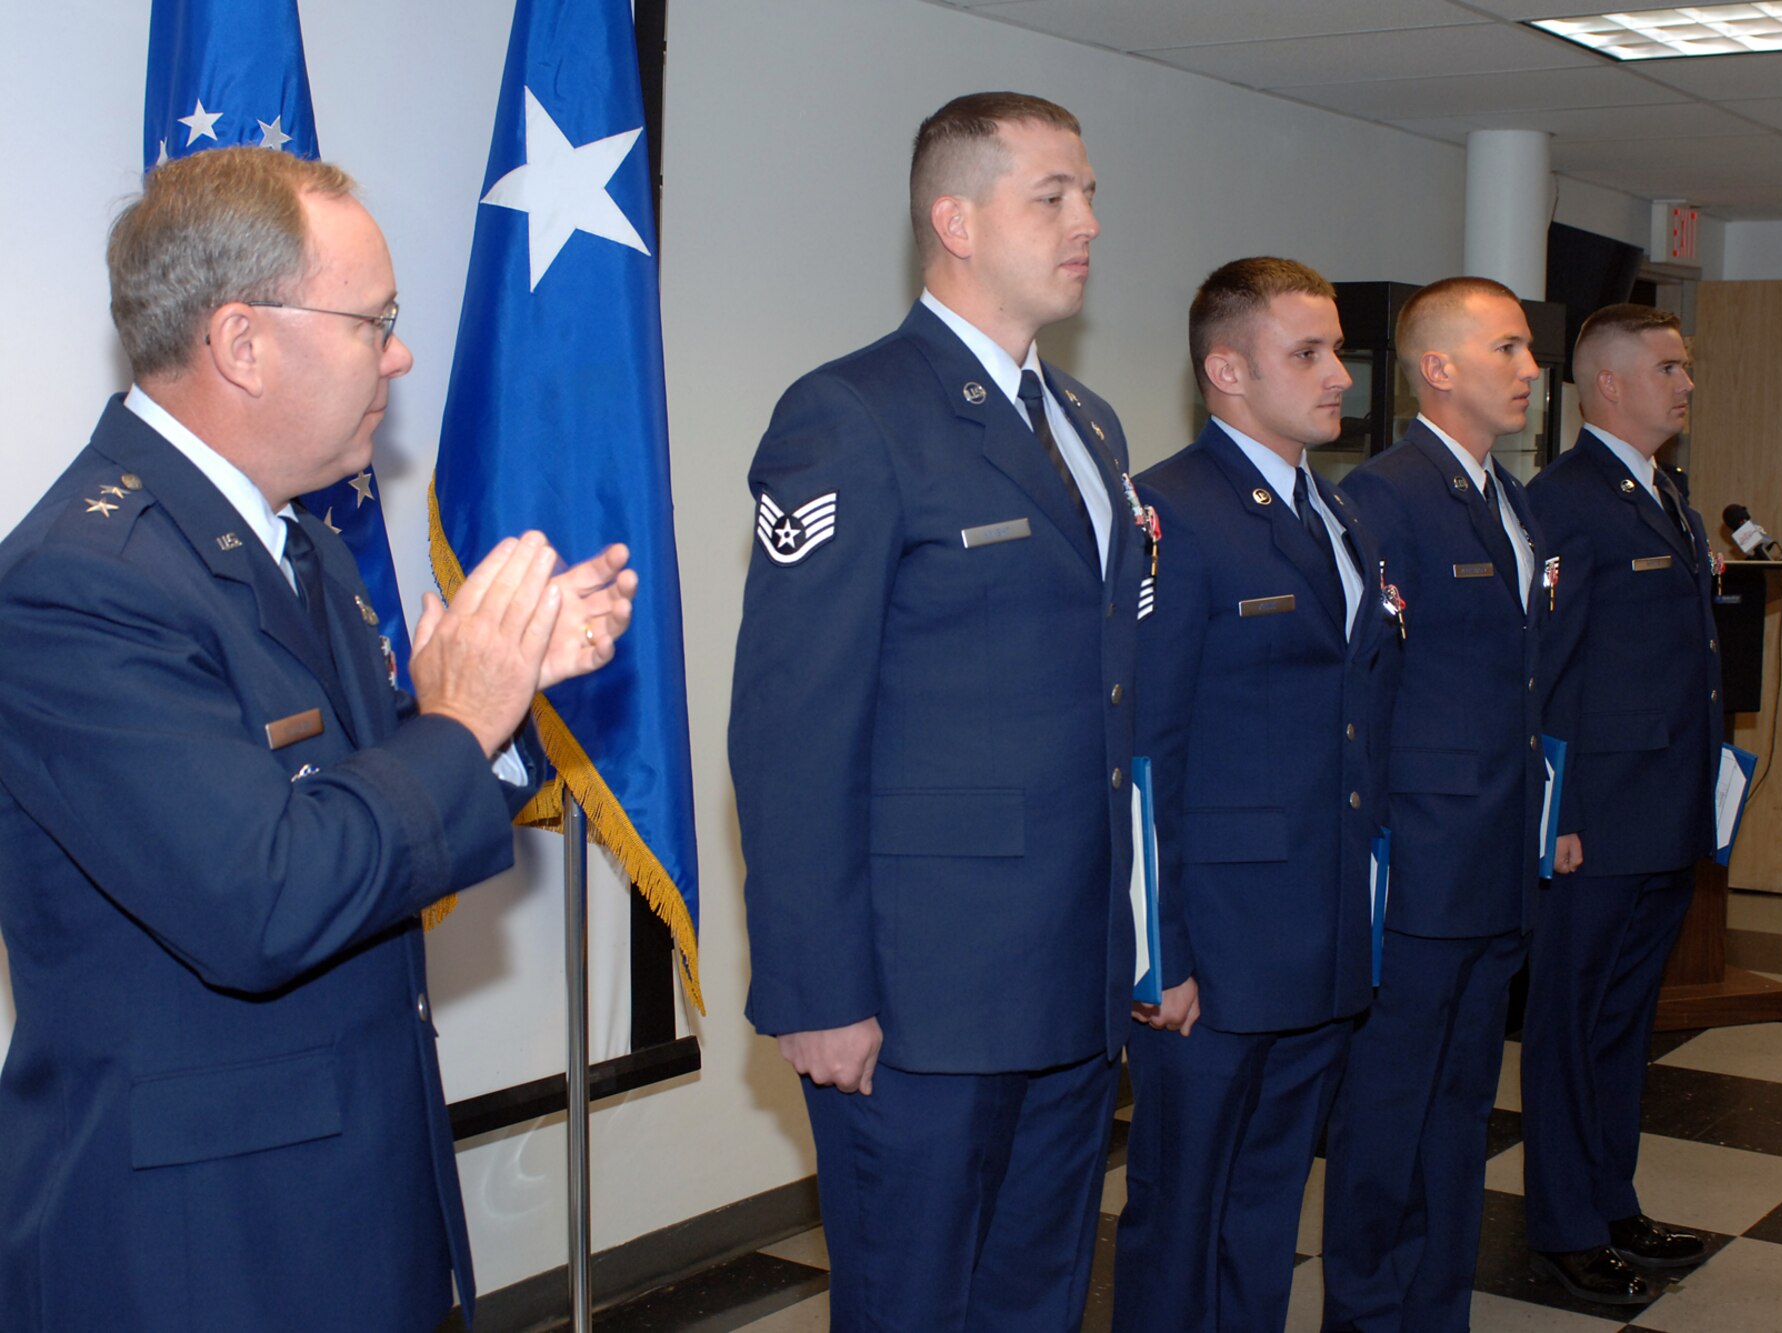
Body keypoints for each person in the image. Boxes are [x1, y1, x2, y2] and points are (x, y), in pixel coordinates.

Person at [0, 147, 636, 1331]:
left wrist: (492, 723)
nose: (398, 354)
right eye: (373, 322)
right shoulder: (78, 586)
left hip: (347, 1196)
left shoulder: (298, 545)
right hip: (199, 1251)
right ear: (243, 344)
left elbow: (355, 813)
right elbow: (266, 899)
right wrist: (456, 716)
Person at [729, 92, 1146, 1330]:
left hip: (1066, 972)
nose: (1088, 223)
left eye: (1087, 194)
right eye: (1053, 196)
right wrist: (813, 985)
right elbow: (791, 725)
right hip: (918, 992)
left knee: (1037, 1295)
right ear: (954, 219)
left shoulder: (1087, 422)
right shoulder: (848, 414)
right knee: (911, 1302)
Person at [1111, 258, 1399, 1332]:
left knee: (1267, 1206)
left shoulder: (1334, 513)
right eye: (1308, 353)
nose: (1340, 378)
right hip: (1215, 951)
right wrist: (1159, 953)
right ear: (1225, 368)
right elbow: (1144, 748)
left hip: (1316, 934)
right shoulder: (1169, 514)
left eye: (1337, 352)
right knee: (1180, 1213)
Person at [1319, 275, 1549, 1333]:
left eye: (1530, 352)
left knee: (1459, 1117)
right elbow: (1364, 692)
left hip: (1494, 864)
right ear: (1438, 367)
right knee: (1384, 1117)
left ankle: (1433, 1310)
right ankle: (1367, 1312)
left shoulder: (1504, 499)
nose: (1530, 372)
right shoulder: (1383, 495)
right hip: (1417, 870)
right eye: (1506, 349)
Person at [1520, 303, 1720, 1304]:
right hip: (1589, 821)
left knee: (1622, 1023)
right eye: (1667, 369)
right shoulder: (1563, 499)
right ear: (1607, 384)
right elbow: (1544, 674)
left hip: (1661, 812)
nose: (1684, 385)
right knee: (1567, 1025)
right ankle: (1560, 1225)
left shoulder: (1666, 495)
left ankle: (1610, 1202)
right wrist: (1549, 813)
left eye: (1684, 369)